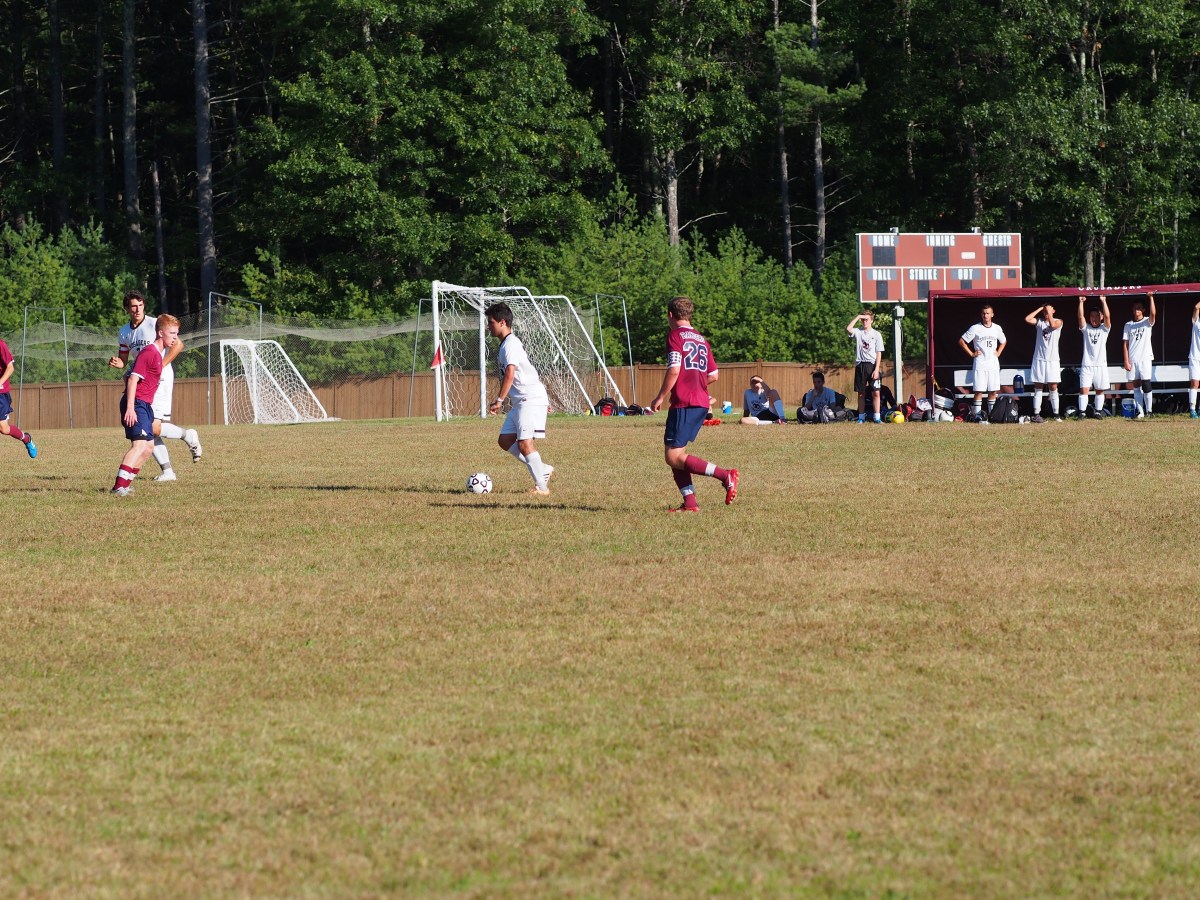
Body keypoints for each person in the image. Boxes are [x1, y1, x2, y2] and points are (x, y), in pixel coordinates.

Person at [649, 296, 738, 512]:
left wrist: (660, 397)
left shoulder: (675, 336)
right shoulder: (701, 339)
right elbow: (714, 375)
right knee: (676, 455)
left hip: (685, 402)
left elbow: (674, 369)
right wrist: (697, 385)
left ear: (670, 315)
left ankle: (725, 475)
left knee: (673, 456)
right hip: (700, 401)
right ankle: (689, 503)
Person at [108, 289, 201, 481]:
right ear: (127, 308)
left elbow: (178, 345)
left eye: (140, 305)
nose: (137, 309)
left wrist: (161, 366)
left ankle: (188, 435)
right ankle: (168, 471)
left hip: (161, 379)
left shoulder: (154, 324)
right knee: (149, 428)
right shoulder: (124, 332)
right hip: (144, 380)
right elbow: (124, 360)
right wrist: (119, 363)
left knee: (152, 427)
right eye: (133, 306)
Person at [485, 302, 554, 495]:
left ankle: (542, 488)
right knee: (505, 440)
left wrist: (499, 400)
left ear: (502, 322)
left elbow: (510, 373)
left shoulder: (511, 344)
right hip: (522, 402)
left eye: (491, 322)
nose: (488, 326)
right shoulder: (505, 345)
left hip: (530, 399)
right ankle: (542, 469)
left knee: (525, 444)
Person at [112, 315, 179, 495]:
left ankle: (125, 484)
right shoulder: (149, 352)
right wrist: (130, 408)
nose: (175, 337)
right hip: (136, 404)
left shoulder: (158, 354)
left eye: (176, 333)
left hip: (146, 405)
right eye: (172, 333)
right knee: (139, 446)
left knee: (148, 447)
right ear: (160, 333)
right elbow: (132, 379)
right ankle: (118, 487)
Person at [958, 304, 1007, 421]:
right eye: (984, 313)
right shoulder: (975, 328)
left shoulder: (997, 328)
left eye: (988, 313)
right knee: (978, 391)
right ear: (981, 315)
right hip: (980, 364)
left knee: (992, 391)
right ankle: (977, 416)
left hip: (993, 364)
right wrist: (971, 354)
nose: (986, 315)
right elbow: (961, 341)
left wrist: (999, 352)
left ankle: (991, 416)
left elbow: (1004, 341)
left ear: (992, 314)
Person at [0, 337, 38, 459]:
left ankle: (26, 439)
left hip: (1, 393)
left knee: (4, 429)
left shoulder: (1, 344)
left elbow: (10, 367)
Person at [1024, 302, 1063, 419]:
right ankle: (1036, 413)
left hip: (1053, 360)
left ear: (1053, 311)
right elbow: (1027, 319)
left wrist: (1049, 312)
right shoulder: (1039, 322)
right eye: (1044, 311)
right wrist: (1040, 308)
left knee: (1053, 387)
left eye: (1048, 310)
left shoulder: (1059, 321)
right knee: (1038, 387)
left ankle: (1056, 414)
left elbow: (1053, 325)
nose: (1046, 312)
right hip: (1039, 359)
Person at [1122, 292, 1157, 418]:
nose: (1137, 310)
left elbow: (1153, 314)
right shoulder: (1128, 325)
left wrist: (1151, 298)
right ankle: (1140, 411)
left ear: (1143, 310)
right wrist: (1126, 361)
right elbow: (1125, 344)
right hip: (1133, 359)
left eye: (1139, 307)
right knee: (1136, 386)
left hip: (1145, 358)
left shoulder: (1147, 322)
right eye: (1135, 307)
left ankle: (1149, 411)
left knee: (1146, 384)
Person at [846, 311, 884, 423]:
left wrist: (876, 369)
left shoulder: (876, 334)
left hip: (872, 365)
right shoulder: (858, 332)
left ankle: (877, 417)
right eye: (863, 319)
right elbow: (848, 329)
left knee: (875, 392)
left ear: (871, 320)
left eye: (867, 319)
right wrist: (858, 317)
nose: (864, 322)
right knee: (861, 393)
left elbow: (879, 353)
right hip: (860, 364)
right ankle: (861, 417)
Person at [1078, 294, 1111, 417]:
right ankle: (1082, 413)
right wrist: (1081, 302)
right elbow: (1080, 317)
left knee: (1099, 390)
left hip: (1100, 364)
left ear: (1101, 317)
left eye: (1097, 316)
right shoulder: (1086, 328)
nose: (1094, 318)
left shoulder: (1104, 328)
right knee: (1084, 389)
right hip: (1087, 364)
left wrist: (1103, 301)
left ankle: (1098, 411)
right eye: (1092, 316)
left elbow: (1107, 317)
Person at [1189, 300, 1200, 418]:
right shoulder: (1196, 321)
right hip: (1195, 357)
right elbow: (1196, 307)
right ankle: (1192, 409)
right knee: (1195, 383)